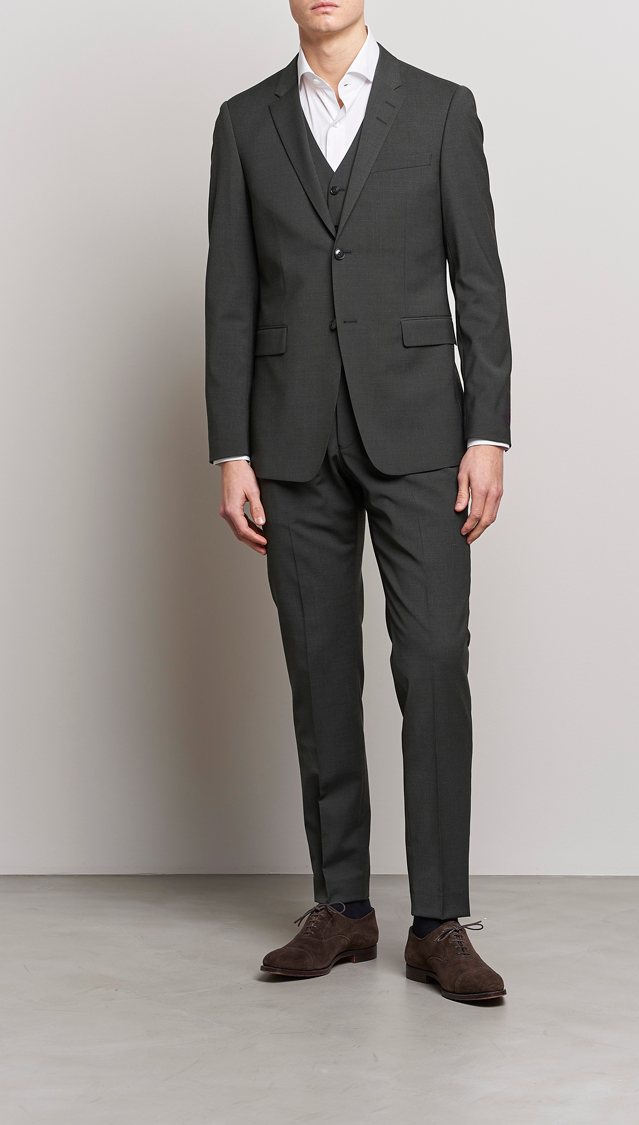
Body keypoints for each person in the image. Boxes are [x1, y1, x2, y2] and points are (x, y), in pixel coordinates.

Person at [205, 0, 511, 1003]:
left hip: (422, 430)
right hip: (290, 437)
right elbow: (231, 296)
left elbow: (480, 279)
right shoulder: (245, 122)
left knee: (433, 659)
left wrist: (487, 431)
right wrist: (232, 448)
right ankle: (341, 906)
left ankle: (438, 921)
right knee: (320, 666)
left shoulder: (442, 109)